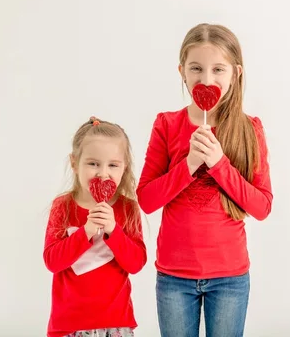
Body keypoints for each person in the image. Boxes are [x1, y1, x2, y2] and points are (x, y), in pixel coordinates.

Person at [137, 23, 273, 337]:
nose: (206, 79)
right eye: (196, 68)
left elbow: (262, 206)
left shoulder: (250, 129)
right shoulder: (167, 124)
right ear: (182, 71)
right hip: (174, 277)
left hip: (230, 277)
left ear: (236, 73)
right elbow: (146, 199)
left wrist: (219, 164)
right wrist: (188, 165)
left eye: (218, 69)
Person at [43, 117, 147, 337]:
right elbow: (52, 262)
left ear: (124, 167)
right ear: (74, 163)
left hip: (115, 323)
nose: (103, 173)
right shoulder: (63, 207)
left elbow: (136, 263)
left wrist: (113, 230)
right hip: (69, 325)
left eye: (113, 165)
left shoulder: (128, 208)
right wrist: (86, 232)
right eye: (93, 164)